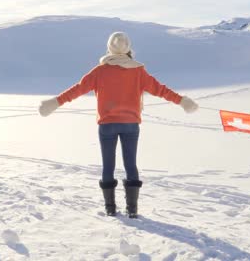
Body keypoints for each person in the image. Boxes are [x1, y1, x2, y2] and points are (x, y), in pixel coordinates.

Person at [38, 31, 199, 218]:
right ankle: (132, 209)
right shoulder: (138, 71)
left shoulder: (99, 71)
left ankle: (110, 208)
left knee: (108, 165)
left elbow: (77, 89)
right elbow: (160, 90)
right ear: (128, 48)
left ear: (109, 47)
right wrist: (182, 101)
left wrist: (55, 102)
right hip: (131, 125)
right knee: (131, 165)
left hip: (107, 125)